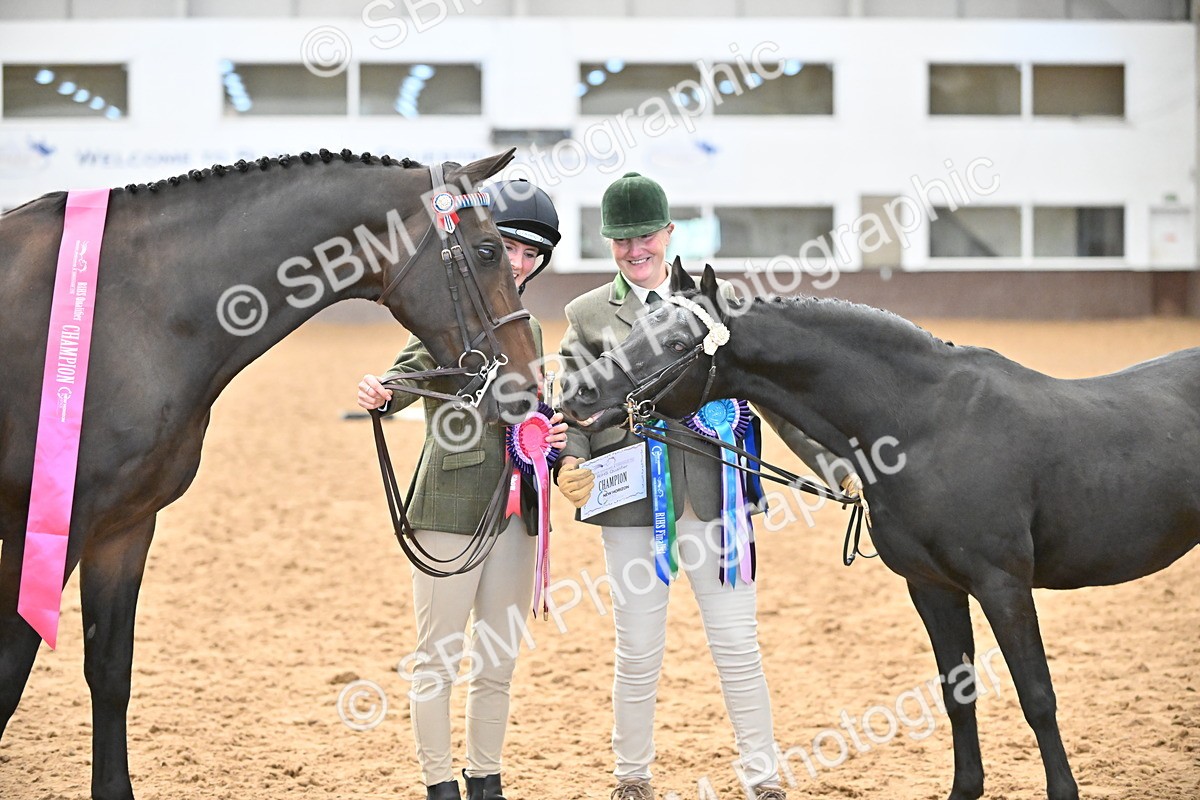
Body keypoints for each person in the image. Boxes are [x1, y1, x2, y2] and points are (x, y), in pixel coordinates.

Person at [556, 172, 860, 800]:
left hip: (719, 499)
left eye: (645, 236)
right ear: (609, 243)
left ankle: (764, 777)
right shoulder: (586, 315)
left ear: (669, 234)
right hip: (633, 505)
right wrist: (570, 463)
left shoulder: (714, 307)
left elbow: (769, 402)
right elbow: (574, 405)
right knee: (637, 651)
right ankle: (632, 777)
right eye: (621, 240)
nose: (634, 250)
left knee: (737, 646)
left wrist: (835, 467)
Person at [357, 179, 568, 800]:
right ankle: (438, 784)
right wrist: (383, 392)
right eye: (512, 247)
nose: (522, 262)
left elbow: (542, 417)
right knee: (438, 657)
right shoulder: (447, 317)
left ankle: (486, 781)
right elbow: (404, 376)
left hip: (517, 515)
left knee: (497, 662)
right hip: (450, 507)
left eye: (534, 253)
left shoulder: (527, 328)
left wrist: (553, 431)